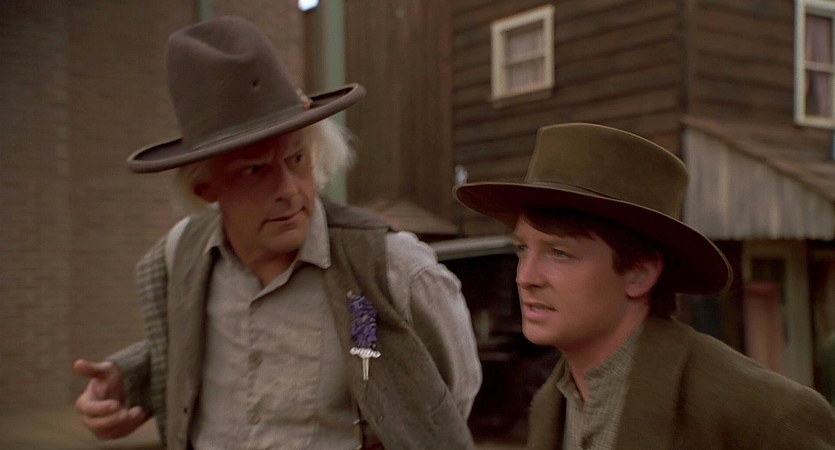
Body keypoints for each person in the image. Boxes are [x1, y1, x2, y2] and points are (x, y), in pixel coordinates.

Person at [72, 16, 481, 450]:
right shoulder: (182, 253)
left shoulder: (392, 269)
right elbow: (187, 345)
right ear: (205, 186)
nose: (288, 190)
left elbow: (449, 407)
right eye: (255, 170)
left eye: (296, 159)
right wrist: (127, 379)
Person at [455, 123, 835, 449]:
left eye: (559, 253)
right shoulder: (550, 405)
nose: (525, 277)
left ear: (639, 274)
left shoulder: (761, 416)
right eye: (523, 249)